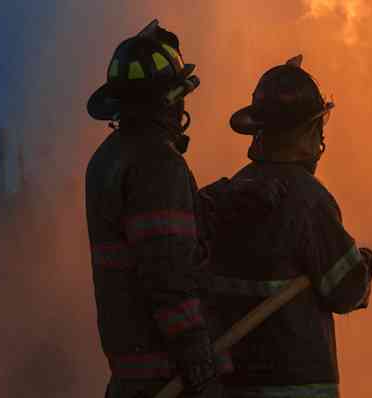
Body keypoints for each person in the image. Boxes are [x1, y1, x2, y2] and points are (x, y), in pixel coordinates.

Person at [85, 20, 283, 398]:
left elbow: (160, 230)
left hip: (131, 376)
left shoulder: (108, 159)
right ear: (169, 100)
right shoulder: (158, 162)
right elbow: (168, 272)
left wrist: (228, 197)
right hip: (170, 376)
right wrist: (200, 367)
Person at [205, 55, 372, 398]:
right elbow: (345, 291)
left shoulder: (232, 192)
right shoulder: (308, 199)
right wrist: (364, 267)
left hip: (232, 384)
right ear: (305, 131)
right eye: (318, 127)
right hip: (296, 384)